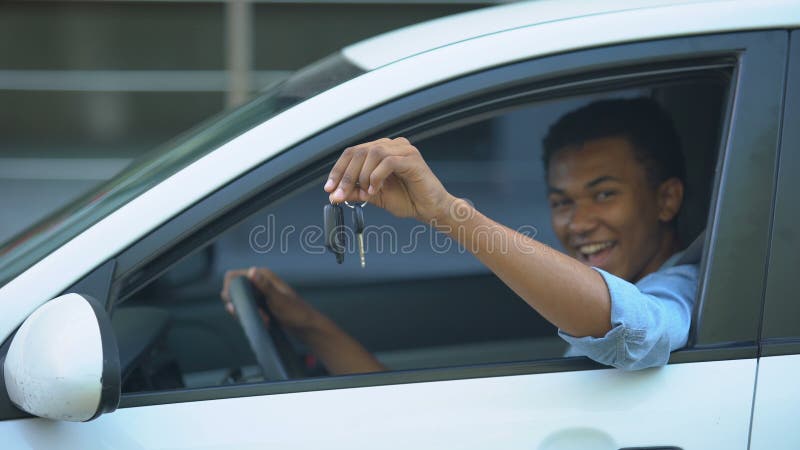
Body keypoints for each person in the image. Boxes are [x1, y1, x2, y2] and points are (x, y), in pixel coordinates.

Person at [220, 97, 698, 373]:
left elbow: (634, 330)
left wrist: (447, 214)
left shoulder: (688, 288)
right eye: (562, 202)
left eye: (604, 194)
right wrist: (308, 325)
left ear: (666, 200)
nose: (579, 222)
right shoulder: (604, 292)